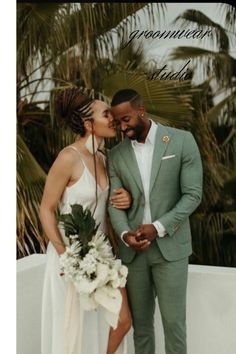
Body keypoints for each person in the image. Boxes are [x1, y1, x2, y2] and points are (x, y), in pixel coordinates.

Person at [107, 89, 203, 354]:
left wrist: (158, 228)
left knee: (174, 325)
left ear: (141, 110)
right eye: (118, 123)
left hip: (171, 249)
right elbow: (114, 204)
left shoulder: (182, 141)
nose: (122, 127)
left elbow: (193, 195)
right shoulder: (115, 155)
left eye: (126, 119)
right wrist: (126, 235)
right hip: (134, 253)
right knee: (142, 328)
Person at [40, 87, 132, 354]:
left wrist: (124, 197)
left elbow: (108, 205)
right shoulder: (68, 157)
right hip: (68, 254)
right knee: (74, 326)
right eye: (106, 114)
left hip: (101, 252)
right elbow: (46, 210)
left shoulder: (104, 159)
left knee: (122, 320)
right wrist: (64, 255)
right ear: (88, 124)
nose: (113, 118)